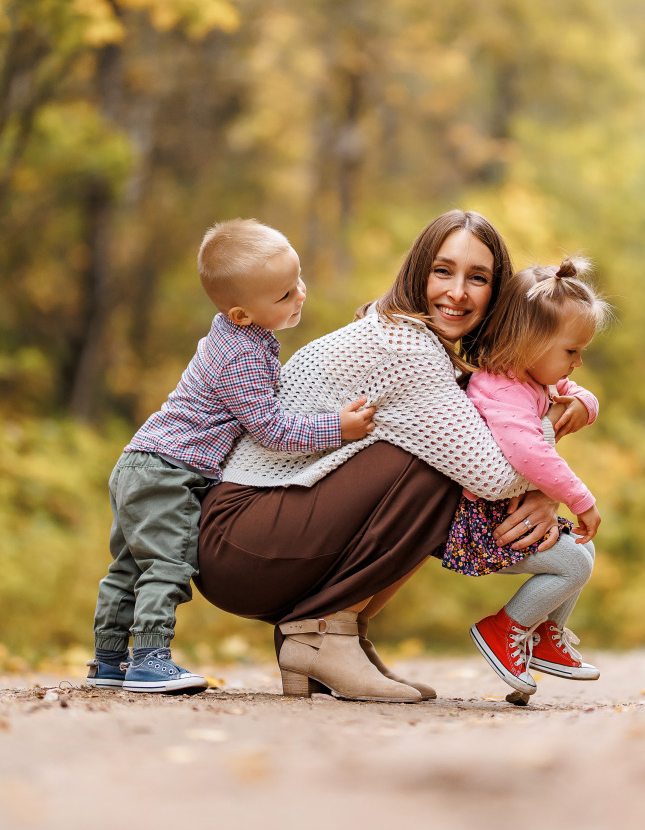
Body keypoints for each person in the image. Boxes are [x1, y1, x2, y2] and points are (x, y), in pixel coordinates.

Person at [196, 210, 564, 703]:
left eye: (478, 278)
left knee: (444, 455)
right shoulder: (405, 348)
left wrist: (571, 403)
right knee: (441, 467)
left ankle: (338, 636)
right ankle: (326, 632)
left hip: (252, 534)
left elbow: (499, 430)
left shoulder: (405, 335)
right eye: (442, 271)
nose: (458, 291)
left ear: (495, 296)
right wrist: (552, 441)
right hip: (240, 537)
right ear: (417, 273)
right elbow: (494, 475)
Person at [87, 218, 376, 694]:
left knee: (128, 567)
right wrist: (338, 429)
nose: (299, 295)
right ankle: (150, 659)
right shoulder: (241, 353)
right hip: (168, 471)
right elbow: (271, 429)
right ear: (242, 313)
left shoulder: (235, 336)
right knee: (168, 563)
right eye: (284, 295)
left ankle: (109, 659)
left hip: (141, 462)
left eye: (297, 282)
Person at [441, 256, 611, 697]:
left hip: (504, 512)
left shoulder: (532, 376)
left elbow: (576, 394)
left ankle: (540, 637)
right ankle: (505, 629)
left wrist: (584, 403)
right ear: (529, 341)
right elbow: (528, 453)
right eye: (571, 351)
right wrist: (581, 500)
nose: (576, 364)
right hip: (484, 521)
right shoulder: (501, 389)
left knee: (580, 556)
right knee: (574, 562)